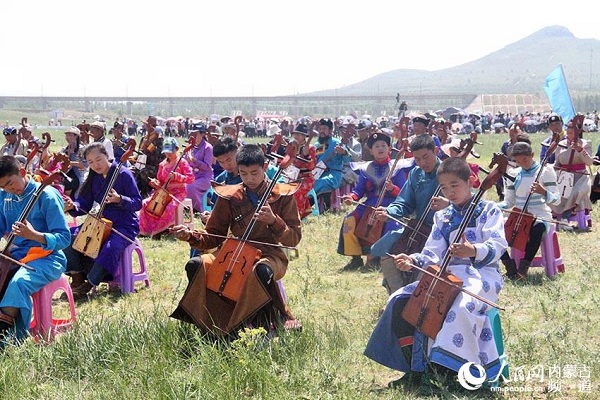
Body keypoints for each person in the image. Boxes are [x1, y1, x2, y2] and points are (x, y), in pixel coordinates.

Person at [364, 157, 508, 390]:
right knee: (400, 301)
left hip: (482, 274)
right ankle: (415, 368)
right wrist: (412, 260)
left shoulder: (489, 210)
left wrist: (473, 250)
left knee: (460, 308)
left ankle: (449, 373)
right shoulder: (443, 217)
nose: (450, 192)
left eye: (455, 185)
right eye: (444, 187)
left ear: (471, 181)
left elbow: (498, 245)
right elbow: (432, 253)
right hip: (446, 275)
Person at [170, 144, 302, 336]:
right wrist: (190, 235)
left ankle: (261, 327)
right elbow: (214, 234)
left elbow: (294, 239)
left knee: (260, 271)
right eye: (243, 173)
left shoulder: (282, 195)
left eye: (254, 173)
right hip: (232, 254)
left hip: (270, 255)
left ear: (265, 167)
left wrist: (274, 221)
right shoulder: (229, 195)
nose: (249, 179)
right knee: (196, 264)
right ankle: (208, 324)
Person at [0, 155, 70, 342]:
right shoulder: (5, 195)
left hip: (47, 257)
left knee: (18, 284)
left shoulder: (47, 195)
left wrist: (34, 235)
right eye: (3, 187)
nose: (8, 189)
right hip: (16, 256)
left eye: (10, 183)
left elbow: (64, 238)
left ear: (22, 172)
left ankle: (7, 338)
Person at [63, 143, 142, 299]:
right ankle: (77, 276)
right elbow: (84, 203)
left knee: (110, 247)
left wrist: (120, 199)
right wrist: (73, 205)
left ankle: (90, 283)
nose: (95, 165)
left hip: (123, 225)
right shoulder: (94, 178)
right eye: (90, 162)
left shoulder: (124, 174)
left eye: (98, 159)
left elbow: (137, 202)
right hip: (99, 222)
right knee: (66, 237)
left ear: (107, 156)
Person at [370, 135, 442, 294]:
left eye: (426, 157)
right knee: (384, 248)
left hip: (442, 232)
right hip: (417, 228)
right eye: (417, 159)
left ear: (435, 151)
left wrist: (448, 204)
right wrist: (389, 211)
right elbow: (404, 202)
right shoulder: (416, 173)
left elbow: (466, 202)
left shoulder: (449, 172)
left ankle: (417, 298)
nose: (422, 163)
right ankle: (397, 295)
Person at [337, 131, 411, 271]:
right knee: (349, 220)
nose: (380, 148)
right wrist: (351, 198)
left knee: (391, 226)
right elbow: (358, 191)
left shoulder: (398, 167)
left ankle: (378, 259)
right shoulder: (365, 169)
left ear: (390, 148)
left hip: (391, 205)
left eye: (383, 145)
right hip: (369, 205)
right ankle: (356, 258)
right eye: (376, 146)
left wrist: (392, 188)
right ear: (371, 150)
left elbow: (403, 192)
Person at [497, 142, 560, 280]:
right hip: (518, 216)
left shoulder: (545, 172)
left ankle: (523, 267)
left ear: (532, 155)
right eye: (518, 162)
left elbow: (557, 199)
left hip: (540, 214)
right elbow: (509, 202)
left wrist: (543, 191)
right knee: (493, 230)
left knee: (537, 228)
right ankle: (509, 265)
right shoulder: (514, 174)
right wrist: (494, 206)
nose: (522, 164)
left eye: (524, 160)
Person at [139, 138, 194, 238]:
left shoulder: (182, 162)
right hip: (164, 193)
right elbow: (160, 181)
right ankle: (146, 230)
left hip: (178, 193)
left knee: (170, 207)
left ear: (176, 149)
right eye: (166, 152)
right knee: (145, 203)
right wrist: (155, 183)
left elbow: (191, 178)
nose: (168, 155)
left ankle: (160, 231)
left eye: (170, 152)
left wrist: (177, 176)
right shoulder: (162, 164)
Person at [550, 116, 594, 229]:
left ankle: (565, 217)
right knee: (556, 192)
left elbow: (589, 162)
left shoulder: (585, 143)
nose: (569, 135)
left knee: (577, 191)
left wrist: (580, 150)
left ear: (577, 132)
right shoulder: (561, 144)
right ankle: (557, 217)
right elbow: (558, 162)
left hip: (581, 177)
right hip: (565, 176)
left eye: (571, 133)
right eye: (568, 132)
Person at [313, 118, 350, 209]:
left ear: (330, 130)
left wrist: (343, 153)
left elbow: (347, 160)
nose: (321, 131)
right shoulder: (317, 145)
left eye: (324, 128)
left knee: (321, 182)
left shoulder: (337, 143)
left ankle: (325, 206)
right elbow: (314, 160)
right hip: (319, 173)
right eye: (320, 128)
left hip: (334, 174)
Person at [184, 122, 214, 213]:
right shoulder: (190, 147)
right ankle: (184, 207)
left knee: (190, 187)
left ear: (202, 134)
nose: (193, 136)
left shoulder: (207, 147)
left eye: (195, 134)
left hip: (205, 177)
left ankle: (197, 209)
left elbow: (207, 166)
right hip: (192, 175)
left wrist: (194, 161)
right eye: (191, 134)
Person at [289, 123, 317, 219]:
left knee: (296, 191)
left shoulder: (310, 148)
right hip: (291, 176)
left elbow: (312, 166)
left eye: (299, 134)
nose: (296, 136)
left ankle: (298, 216)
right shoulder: (292, 146)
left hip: (306, 178)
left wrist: (306, 155)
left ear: (305, 136)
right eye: (295, 134)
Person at [60, 126, 87, 199]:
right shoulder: (64, 149)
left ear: (76, 137)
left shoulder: (82, 149)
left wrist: (70, 163)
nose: (67, 137)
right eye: (66, 135)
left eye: (70, 135)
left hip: (78, 174)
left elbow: (84, 165)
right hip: (66, 173)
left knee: (68, 183)